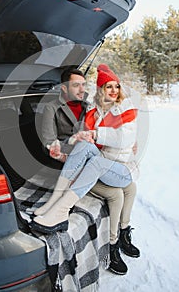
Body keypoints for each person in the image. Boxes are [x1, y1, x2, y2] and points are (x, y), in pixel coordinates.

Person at [31, 66, 140, 275]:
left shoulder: (100, 106)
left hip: (104, 162)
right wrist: (67, 144)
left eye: (84, 84)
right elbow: (50, 142)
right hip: (75, 163)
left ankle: (122, 235)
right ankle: (112, 242)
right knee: (118, 193)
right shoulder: (56, 108)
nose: (82, 89)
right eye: (76, 85)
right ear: (64, 88)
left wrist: (106, 137)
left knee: (130, 187)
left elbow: (118, 135)